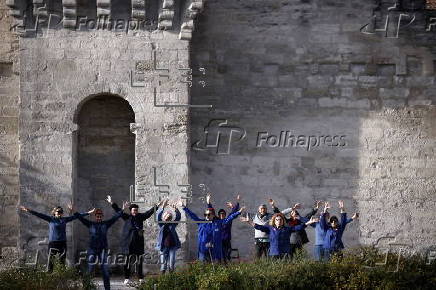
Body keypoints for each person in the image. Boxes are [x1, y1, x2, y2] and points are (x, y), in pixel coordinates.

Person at [106, 195, 165, 285]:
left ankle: (140, 278)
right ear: (131, 211)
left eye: (136, 210)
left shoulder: (140, 217)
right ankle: (126, 278)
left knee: (139, 262)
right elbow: (118, 211)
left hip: (138, 243)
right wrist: (111, 202)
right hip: (128, 244)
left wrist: (157, 205)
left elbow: (149, 213)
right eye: (134, 210)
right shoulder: (127, 217)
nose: (135, 212)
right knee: (127, 262)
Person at [19, 203, 92, 272]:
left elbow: (76, 216)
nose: (60, 213)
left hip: (62, 243)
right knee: (51, 262)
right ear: (54, 212)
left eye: (61, 212)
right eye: (58, 211)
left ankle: (62, 281)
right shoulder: (51, 219)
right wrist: (28, 210)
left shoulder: (64, 219)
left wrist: (88, 212)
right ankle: (49, 281)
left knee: (62, 262)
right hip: (53, 243)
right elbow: (39, 214)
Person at [75, 204, 125, 290]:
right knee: (90, 269)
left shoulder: (106, 224)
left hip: (103, 250)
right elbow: (80, 218)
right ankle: (86, 287)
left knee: (105, 270)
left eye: (100, 216)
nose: (98, 217)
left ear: (102, 216)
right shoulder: (90, 224)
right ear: (95, 216)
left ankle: (107, 288)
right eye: (97, 216)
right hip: (92, 249)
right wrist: (74, 211)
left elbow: (115, 218)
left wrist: (122, 210)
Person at [181, 198, 245, 263]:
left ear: (212, 215)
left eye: (208, 215)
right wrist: (184, 207)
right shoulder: (201, 222)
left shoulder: (218, 223)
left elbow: (230, 218)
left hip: (214, 250)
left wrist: (238, 212)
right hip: (203, 250)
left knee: (216, 266)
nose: (207, 216)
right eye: (205, 215)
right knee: (203, 267)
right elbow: (192, 215)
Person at [242, 212, 318, 259]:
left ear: (283, 221)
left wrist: (309, 222)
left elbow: (299, 227)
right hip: (273, 253)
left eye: (280, 220)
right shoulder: (270, 228)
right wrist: (249, 221)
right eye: (277, 220)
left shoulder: (287, 228)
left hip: (285, 254)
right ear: (274, 221)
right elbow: (259, 227)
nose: (279, 221)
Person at [207, 194, 240, 262]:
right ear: (219, 215)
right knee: (218, 257)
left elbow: (233, 213)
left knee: (226, 257)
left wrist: (235, 204)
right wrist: (208, 202)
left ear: (225, 215)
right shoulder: (216, 220)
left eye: (223, 214)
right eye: (220, 214)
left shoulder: (228, 220)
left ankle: (226, 269)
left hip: (226, 241)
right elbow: (212, 212)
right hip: (218, 241)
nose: (222, 215)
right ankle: (219, 269)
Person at [156, 200, 181, 274]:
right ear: (164, 217)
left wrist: (175, 209)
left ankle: (171, 278)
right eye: (166, 215)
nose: (168, 216)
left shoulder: (173, 224)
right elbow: (158, 217)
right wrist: (163, 207)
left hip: (172, 246)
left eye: (169, 216)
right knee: (163, 264)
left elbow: (178, 217)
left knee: (171, 263)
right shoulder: (161, 225)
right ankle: (163, 278)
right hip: (163, 246)